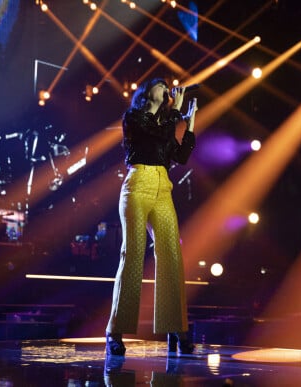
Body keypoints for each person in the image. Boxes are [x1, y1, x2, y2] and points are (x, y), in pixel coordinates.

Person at [105, 78, 198, 357]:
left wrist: (189, 124)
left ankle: (176, 327)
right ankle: (115, 331)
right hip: (138, 185)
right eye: (161, 85)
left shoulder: (166, 125)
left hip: (163, 186)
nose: (167, 89)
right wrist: (174, 113)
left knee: (171, 253)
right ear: (147, 93)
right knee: (132, 254)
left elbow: (180, 157)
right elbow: (153, 136)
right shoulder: (135, 117)